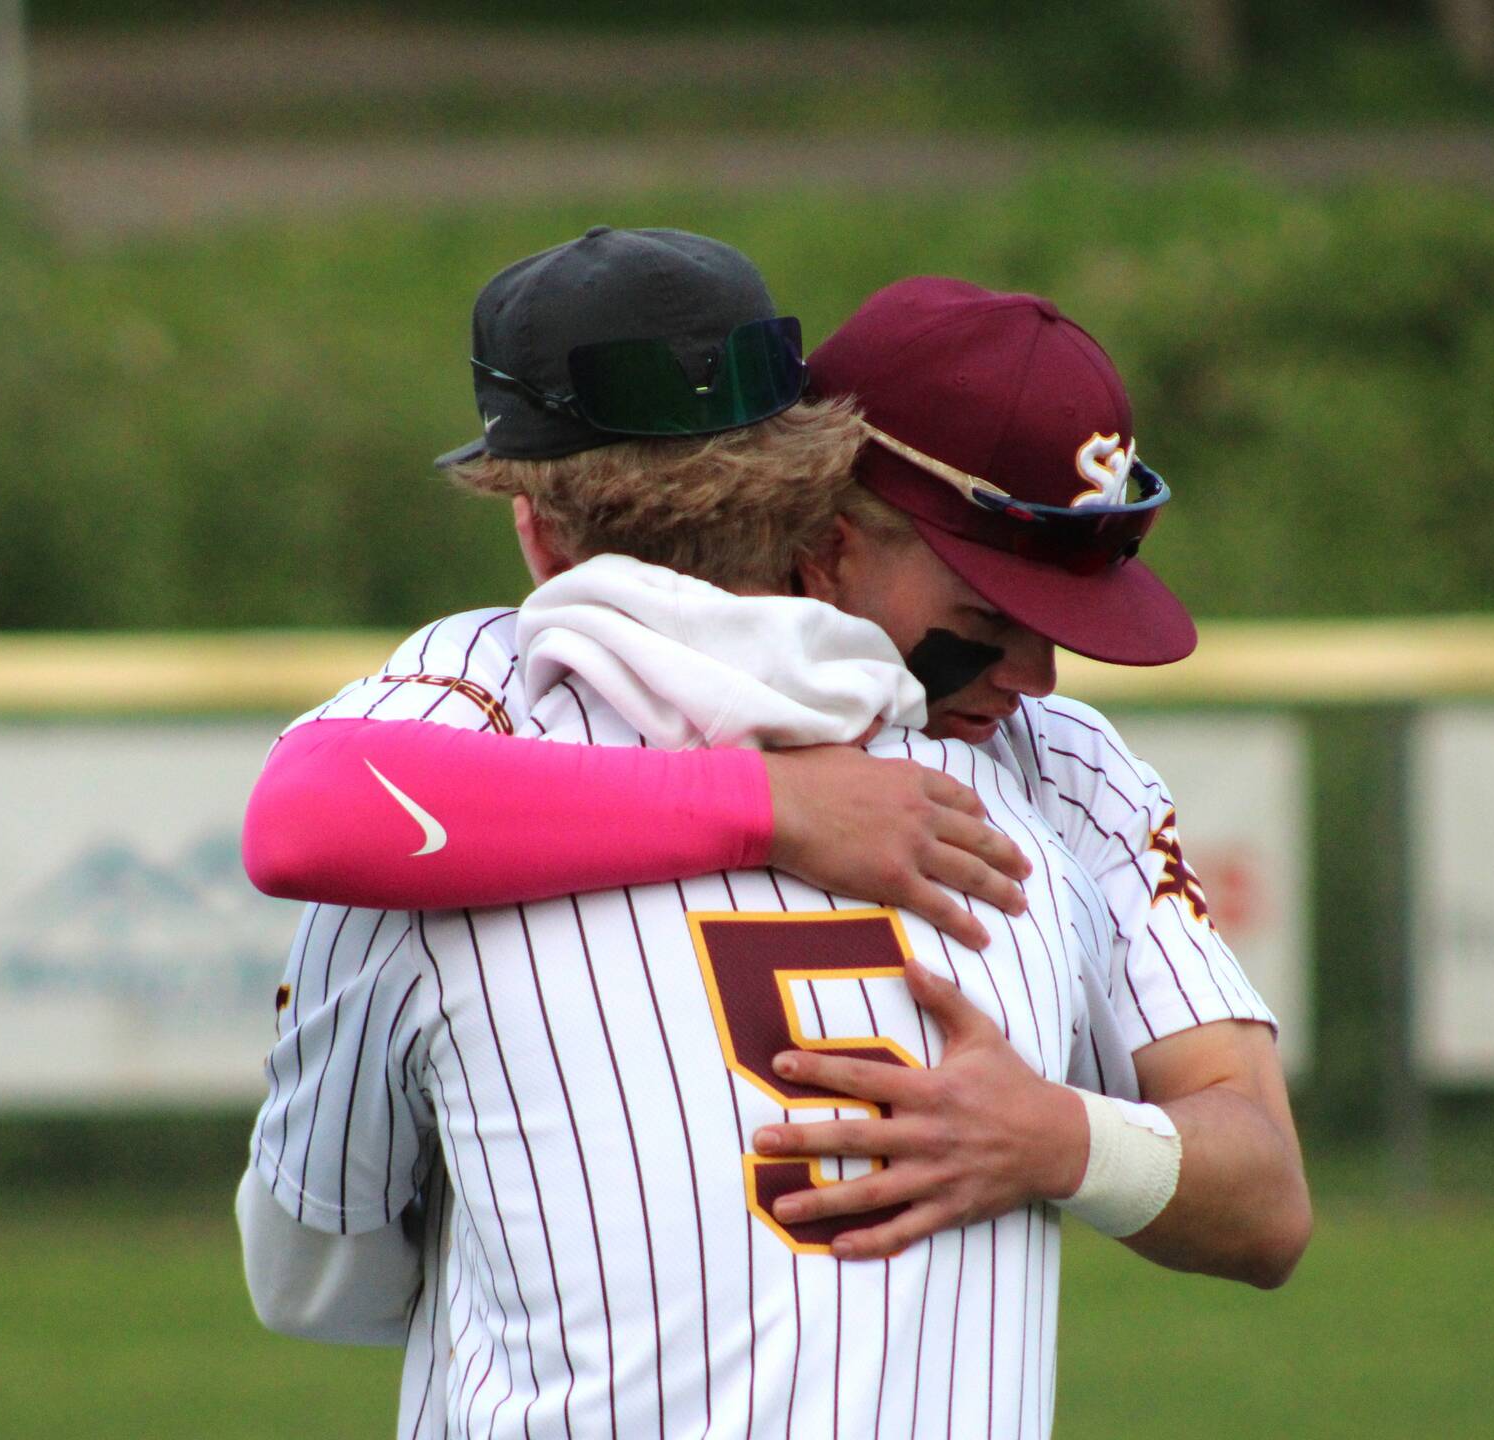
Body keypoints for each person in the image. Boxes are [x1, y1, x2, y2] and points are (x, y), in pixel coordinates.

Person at [239, 229, 1206, 1436]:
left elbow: (314, 1280)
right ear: (813, 496)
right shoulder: (1015, 795)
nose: (1035, 671)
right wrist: (771, 808)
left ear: (536, 529)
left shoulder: (441, 781)